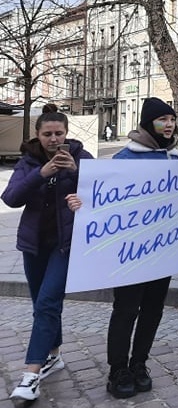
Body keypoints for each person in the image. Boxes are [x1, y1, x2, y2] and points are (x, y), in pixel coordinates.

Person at [3, 105, 92, 402]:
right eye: (47, 134)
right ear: (38, 135)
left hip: (66, 246)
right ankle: (54, 354)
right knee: (42, 304)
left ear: (67, 133)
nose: (54, 140)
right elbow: (11, 198)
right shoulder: (29, 162)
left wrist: (77, 175)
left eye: (59, 133)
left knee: (47, 304)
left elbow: (105, 193)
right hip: (34, 245)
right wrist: (42, 173)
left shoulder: (80, 158)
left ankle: (31, 375)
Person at [104, 97, 178, 399]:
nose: (168, 124)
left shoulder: (174, 159)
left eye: (172, 119)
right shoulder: (125, 159)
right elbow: (106, 201)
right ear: (148, 122)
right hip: (131, 251)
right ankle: (117, 369)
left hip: (161, 250)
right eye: (162, 119)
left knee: (153, 309)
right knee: (126, 309)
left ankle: (139, 363)